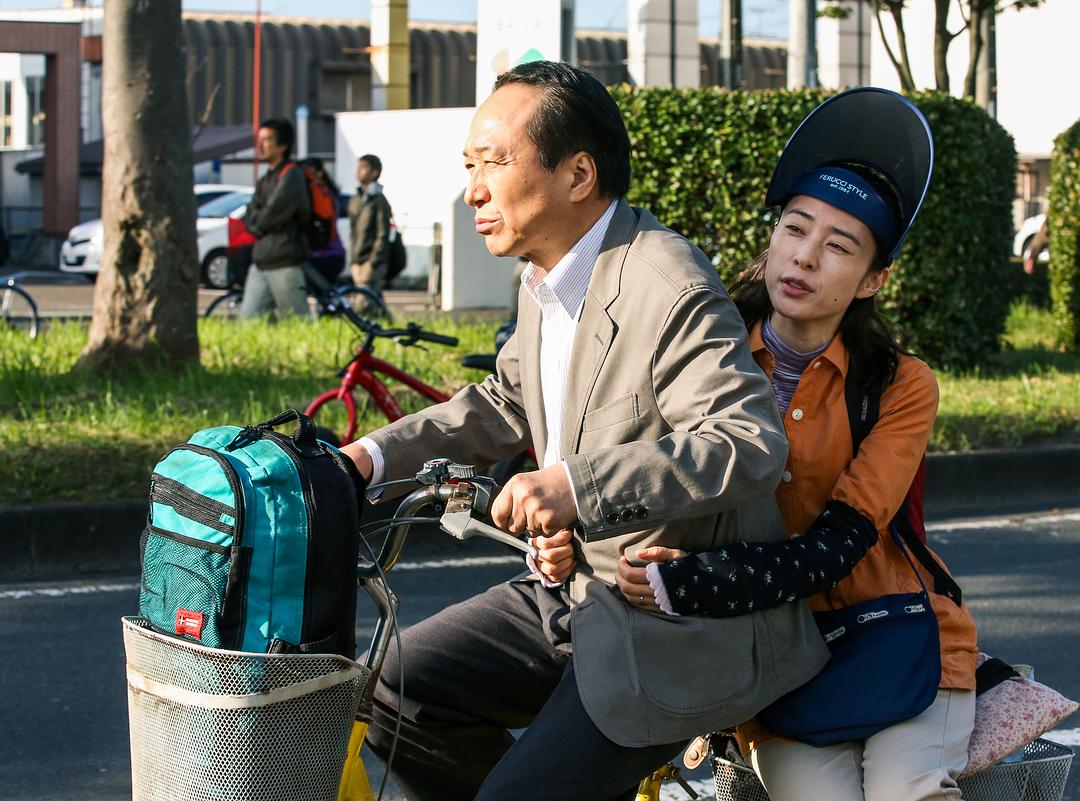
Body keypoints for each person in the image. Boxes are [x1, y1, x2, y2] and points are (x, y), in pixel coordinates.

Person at [340, 61, 827, 801]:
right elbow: (504, 400)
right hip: (568, 594)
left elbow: (749, 442)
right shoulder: (547, 277)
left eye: (493, 163)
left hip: (667, 621)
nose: (474, 190)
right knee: (395, 687)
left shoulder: (666, 280)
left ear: (577, 175)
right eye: (470, 167)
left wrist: (576, 486)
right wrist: (367, 459)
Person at [615, 88, 979, 800]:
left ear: (873, 280)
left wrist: (699, 581)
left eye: (838, 246)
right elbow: (640, 471)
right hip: (774, 658)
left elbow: (841, 541)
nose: (805, 257)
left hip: (903, 637)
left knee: (909, 792)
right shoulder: (699, 353)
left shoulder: (900, 384)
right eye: (794, 228)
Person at [239, 118, 311, 318]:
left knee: (296, 321)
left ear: (282, 145)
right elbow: (250, 217)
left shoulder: (292, 175)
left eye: (267, 140)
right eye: (259, 139)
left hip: (285, 260)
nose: (260, 145)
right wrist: (256, 221)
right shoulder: (266, 179)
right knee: (249, 321)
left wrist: (256, 221)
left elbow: (269, 216)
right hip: (262, 260)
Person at [348, 153, 392, 297]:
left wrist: (373, 261)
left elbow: (383, 232)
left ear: (375, 172)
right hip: (357, 260)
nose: (359, 170)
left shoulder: (378, 200)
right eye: (358, 167)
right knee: (365, 300)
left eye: (364, 167)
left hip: (371, 261)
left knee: (368, 301)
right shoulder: (356, 199)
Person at [299, 156, 346, 283]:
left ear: (319, 173)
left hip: (322, 255)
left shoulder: (318, 193)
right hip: (334, 253)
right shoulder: (329, 192)